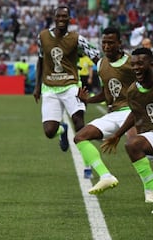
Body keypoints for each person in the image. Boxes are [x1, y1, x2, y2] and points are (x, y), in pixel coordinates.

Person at [74, 27, 137, 193]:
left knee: (136, 146)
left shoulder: (131, 63)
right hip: (114, 113)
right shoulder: (101, 64)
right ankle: (105, 176)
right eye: (104, 43)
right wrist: (88, 99)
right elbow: (106, 93)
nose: (107, 46)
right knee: (80, 137)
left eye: (111, 43)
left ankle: (150, 191)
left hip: (133, 111)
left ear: (119, 44)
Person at [33, 5, 100, 152]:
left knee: (79, 123)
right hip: (49, 87)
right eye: (59, 16)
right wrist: (37, 86)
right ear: (54, 18)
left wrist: (106, 72)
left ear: (70, 19)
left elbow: (95, 55)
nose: (61, 19)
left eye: (64, 16)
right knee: (49, 131)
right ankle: (62, 130)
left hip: (71, 85)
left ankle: (88, 165)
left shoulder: (77, 38)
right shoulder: (42, 37)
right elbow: (40, 60)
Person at [101, 47, 153, 203]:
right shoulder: (133, 91)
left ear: (151, 63)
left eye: (140, 64)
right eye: (134, 64)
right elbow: (134, 113)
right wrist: (117, 135)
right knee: (132, 144)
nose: (136, 68)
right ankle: (150, 189)